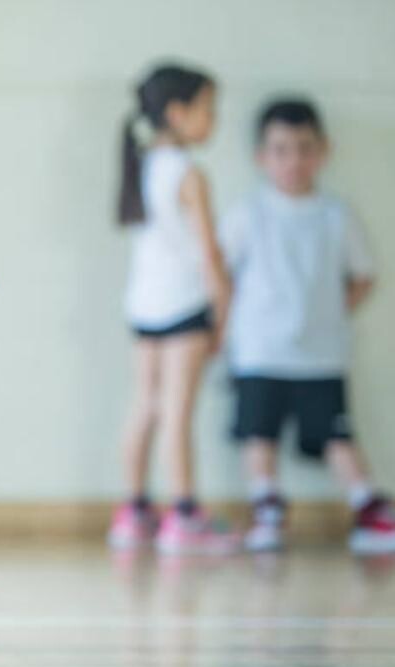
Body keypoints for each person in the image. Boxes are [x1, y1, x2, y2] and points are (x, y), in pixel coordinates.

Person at [221, 98, 395, 554]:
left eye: (304, 148)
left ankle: (368, 507)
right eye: (281, 149)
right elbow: (220, 273)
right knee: (259, 433)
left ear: (323, 152)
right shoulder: (249, 213)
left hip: (321, 353)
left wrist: (331, 313)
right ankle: (266, 505)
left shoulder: (336, 214)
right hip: (259, 351)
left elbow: (364, 275)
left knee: (337, 434)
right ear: (262, 156)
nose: (293, 160)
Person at [109, 63, 239, 555]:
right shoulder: (189, 173)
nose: (214, 120)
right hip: (185, 305)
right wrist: (224, 309)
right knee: (178, 410)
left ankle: (134, 510)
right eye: (209, 109)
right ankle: (184, 515)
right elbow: (209, 252)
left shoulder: (142, 162)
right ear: (178, 113)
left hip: (144, 305)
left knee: (146, 405)